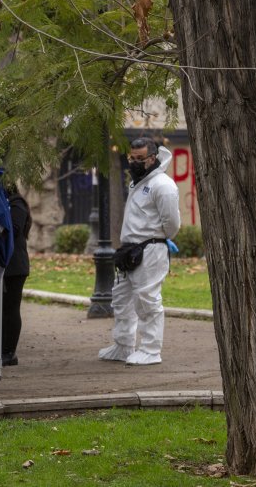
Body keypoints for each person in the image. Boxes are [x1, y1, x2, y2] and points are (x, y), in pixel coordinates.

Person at [99, 137, 180, 366]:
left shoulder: (163, 185)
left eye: (139, 159)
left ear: (152, 158)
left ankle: (151, 349)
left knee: (147, 300)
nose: (134, 163)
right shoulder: (139, 182)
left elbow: (172, 223)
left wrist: (157, 239)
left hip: (150, 249)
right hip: (131, 250)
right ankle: (123, 345)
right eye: (131, 158)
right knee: (122, 299)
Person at [2, 186, 31, 366]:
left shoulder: (16, 203)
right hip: (7, 264)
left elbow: (14, 227)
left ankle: (9, 351)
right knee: (4, 309)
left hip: (15, 265)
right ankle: (3, 348)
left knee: (11, 308)